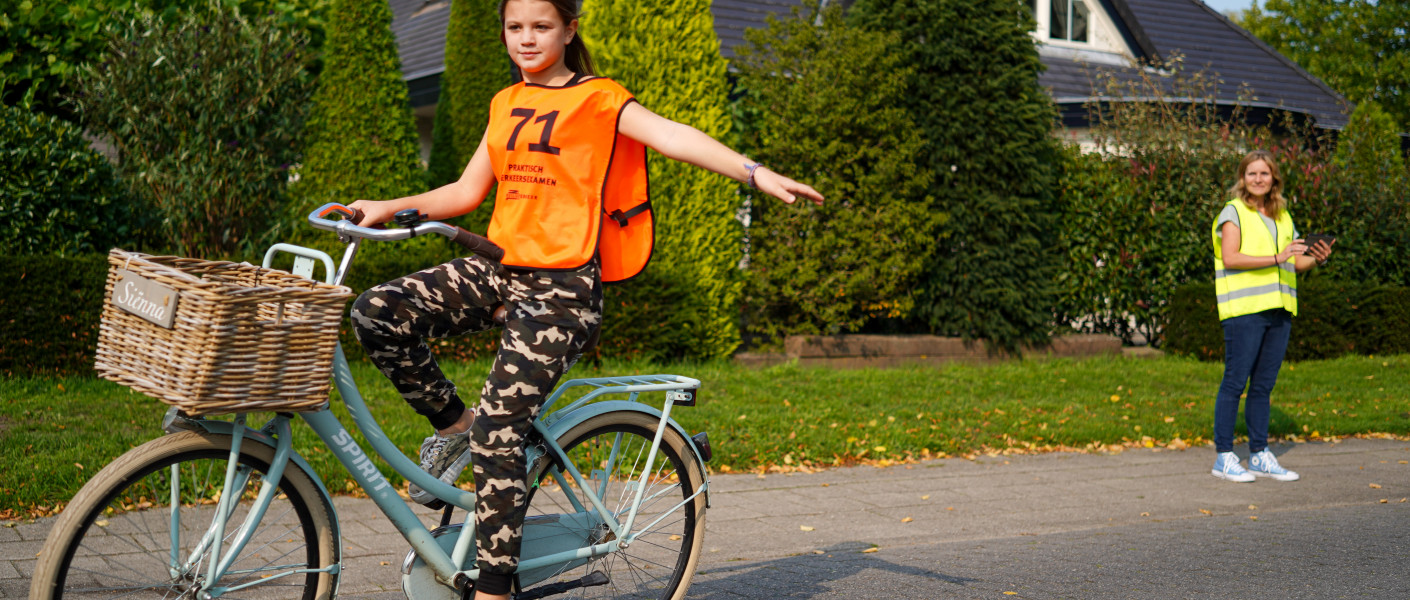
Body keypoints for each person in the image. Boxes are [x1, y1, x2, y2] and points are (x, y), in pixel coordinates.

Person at [348, 0, 824, 597]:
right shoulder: (504, 102)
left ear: (569, 30)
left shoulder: (599, 99)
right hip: (500, 269)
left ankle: (495, 588)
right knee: (376, 312)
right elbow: (468, 190)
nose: (526, 39)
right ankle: (453, 426)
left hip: (562, 293)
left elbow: (674, 136)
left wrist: (754, 173)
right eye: (514, 27)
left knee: (500, 437)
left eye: (541, 26)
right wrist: (387, 207)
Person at [1209, 149, 1331, 483]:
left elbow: (1293, 261)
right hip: (1245, 311)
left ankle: (1260, 454)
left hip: (1279, 309)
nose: (1259, 179)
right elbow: (1232, 257)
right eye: (1252, 174)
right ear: (1242, 178)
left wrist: (1316, 258)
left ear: (1273, 178)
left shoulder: (1282, 215)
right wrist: (1278, 257)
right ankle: (1224, 457)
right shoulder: (1232, 212)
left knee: (1263, 385)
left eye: (1264, 174)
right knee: (1235, 381)